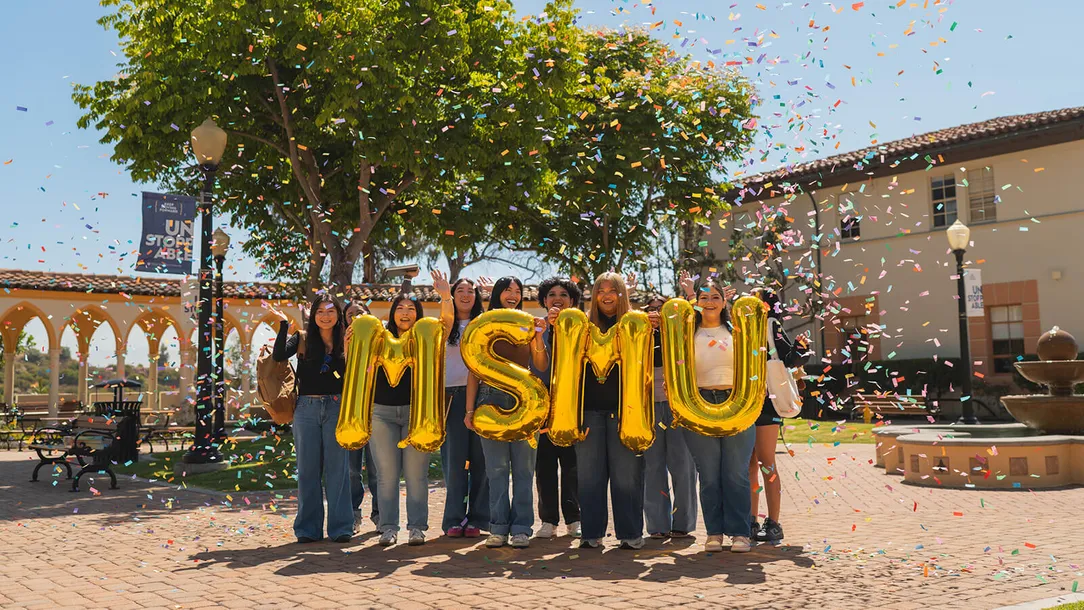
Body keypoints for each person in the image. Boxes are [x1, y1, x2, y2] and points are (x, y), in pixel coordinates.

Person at [369, 271, 454, 546]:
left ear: (417, 314)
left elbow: (448, 322)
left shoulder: (426, 337)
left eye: (411, 309)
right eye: (400, 309)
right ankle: (388, 527)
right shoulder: (379, 337)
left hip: (418, 415)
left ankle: (417, 527)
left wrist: (446, 295)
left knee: (417, 475)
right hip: (381, 412)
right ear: (393, 313)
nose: (405, 313)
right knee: (387, 475)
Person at [678, 274, 755, 553]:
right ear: (696, 303)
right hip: (698, 402)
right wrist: (687, 294)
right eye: (703, 297)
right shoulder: (688, 333)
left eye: (715, 297)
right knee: (708, 474)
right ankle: (714, 533)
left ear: (725, 301)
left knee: (735, 473)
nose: (709, 302)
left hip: (737, 403)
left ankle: (740, 533)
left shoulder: (738, 332)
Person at [469, 276, 545, 549]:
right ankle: (498, 527)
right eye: (507, 290)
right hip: (489, 400)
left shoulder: (528, 323)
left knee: (524, 469)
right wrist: (470, 409)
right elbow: (473, 374)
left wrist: (537, 338)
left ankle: (522, 527)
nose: (513, 294)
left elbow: (540, 363)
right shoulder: (483, 324)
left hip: (525, 400)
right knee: (496, 469)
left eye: (518, 290)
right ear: (498, 294)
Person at [271, 294, 352, 543]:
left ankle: (341, 528)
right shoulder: (303, 339)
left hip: (337, 407)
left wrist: (348, 351)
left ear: (338, 315)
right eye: (320, 312)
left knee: (338, 469)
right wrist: (285, 325)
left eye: (330, 311)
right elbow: (278, 355)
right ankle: (308, 529)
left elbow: (351, 375)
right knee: (307, 470)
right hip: (306, 408)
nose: (325, 316)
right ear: (313, 316)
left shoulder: (347, 338)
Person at [577, 272, 646, 550]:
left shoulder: (636, 325)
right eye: (601, 290)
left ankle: (630, 533)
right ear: (594, 296)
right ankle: (591, 533)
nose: (606, 295)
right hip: (589, 411)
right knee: (589, 476)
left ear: (623, 294)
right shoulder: (581, 326)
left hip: (626, 412)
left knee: (626, 476)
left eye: (613, 290)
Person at [748, 288, 810, 545]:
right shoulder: (739, 327)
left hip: (766, 403)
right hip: (741, 403)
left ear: (765, 304)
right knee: (747, 465)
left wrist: (799, 347)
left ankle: (773, 522)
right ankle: (749, 520)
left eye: (754, 297)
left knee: (766, 462)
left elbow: (789, 359)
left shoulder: (771, 325)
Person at [530, 277, 582, 539]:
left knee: (573, 466)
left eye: (564, 294)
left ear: (573, 301)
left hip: (573, 407)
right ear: (544, 301)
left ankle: (574, 519)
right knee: (545, 466)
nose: (557, 298)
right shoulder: (536, 329)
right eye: (551, 294)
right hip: (543, 407)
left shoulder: (583, 328)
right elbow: (538, 366)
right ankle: (548, 520)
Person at [642, 294, 697, 540]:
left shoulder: (679, 336)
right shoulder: (640, 336)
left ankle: (683, 524)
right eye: (650, 310)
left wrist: (691, 296)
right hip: (647, 407)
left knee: (683, 466)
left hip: (678, 407)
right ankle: (656, 525)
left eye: (660, 310)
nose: (655, 314)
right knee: (651, 467)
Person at [440, 277, 490, 538]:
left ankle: (479, 518)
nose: (466, 295)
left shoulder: (484, 323)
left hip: (483, 395)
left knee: (482, 459)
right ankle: (453, 519)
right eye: (460, 290)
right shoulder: (445, 323)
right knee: (454, 461)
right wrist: (444, 295)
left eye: (471, 291)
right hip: (451, 396)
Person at [344, 302, 379, 533]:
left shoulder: (381, 342)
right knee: (352, 469)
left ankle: (381, 515)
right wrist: (346, 351)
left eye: (360, 313)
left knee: (378, 469)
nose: (355, 317)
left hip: (377, 412)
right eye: (350, 314)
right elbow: (341, 377)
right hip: (351, 415)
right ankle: (353, 515)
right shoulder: (340, 345)